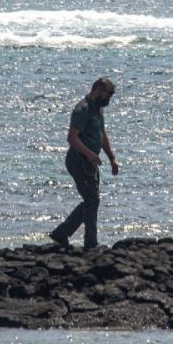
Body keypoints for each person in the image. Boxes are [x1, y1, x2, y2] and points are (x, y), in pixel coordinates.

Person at [50, 77, 120, 250]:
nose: (108, 99)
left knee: (92, 201)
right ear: (98, 90)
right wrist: (89, 154)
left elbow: (102, 135)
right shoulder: (83, 109)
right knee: (92, 200)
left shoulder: (98, 110)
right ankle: (90, 243)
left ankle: (62, 233)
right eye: (107, 95)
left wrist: (111, 158)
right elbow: (72, 138)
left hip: (91, 161)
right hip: (78, 160)